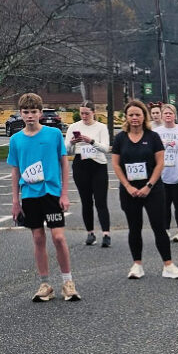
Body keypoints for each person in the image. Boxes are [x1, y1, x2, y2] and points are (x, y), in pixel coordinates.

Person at [8, 93, 79, 302]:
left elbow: (64, 163)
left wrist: (65, 193)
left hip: (51, 193)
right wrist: (15, 201)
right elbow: (15, 170)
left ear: (40, 113)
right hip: (30, 194)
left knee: (58, 237)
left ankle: (68, 281)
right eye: (26, 112)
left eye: (34, 112)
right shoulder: (16, 140)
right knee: (38, 238)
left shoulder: (53, 134)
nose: (30, 116)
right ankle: (45, 283)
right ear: (21, 114)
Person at [111, 100, 178, 280]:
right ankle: (137, 265)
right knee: (134, 228)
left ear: (144, 116)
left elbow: (160, 163)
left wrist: (148, 186)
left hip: (152, 190)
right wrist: (128, 186)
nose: (134, 118)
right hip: (129, 191)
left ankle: (168, 265)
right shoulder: (120, 138)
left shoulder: (152, 137)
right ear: (126, 118)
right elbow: (116, 165)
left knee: (159, 227)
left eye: (138, 114)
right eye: (131, 115)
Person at [66, 101, 112, 248]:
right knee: (86, 201)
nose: (84, 116)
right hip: (81, 164)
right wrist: (73, 142)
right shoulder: (74, 127)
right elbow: (67, 150)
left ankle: (106, 233)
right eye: (82, 113)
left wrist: (91, 141)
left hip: (98, 164)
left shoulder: (101, 127)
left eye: (87, 113)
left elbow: (105, 148)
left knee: (100, 201)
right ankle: (90, 233)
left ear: (93, 112)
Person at [152, 104, 178, 243]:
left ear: (175, 115)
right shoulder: (156, 132)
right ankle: (165, 230)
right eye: (165, 113)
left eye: (170, 113)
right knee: (164, 203)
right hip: (162, 173)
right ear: (162, 116)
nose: (168, 115)